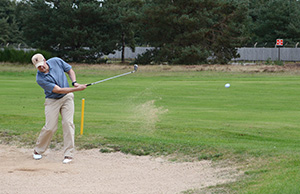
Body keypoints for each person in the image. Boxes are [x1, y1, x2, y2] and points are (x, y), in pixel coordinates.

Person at [31, 53, 87, 164]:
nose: (41, 68)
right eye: (38, 67)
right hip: (52, 100)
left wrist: (75, 82)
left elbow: (70, 70)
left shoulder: (56, 61)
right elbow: (59, 90)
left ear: (45, 60)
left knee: (68, 123)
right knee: (50, 127)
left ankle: (68, 154)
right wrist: (78, 89)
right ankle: (38, 151)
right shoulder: (40, 78)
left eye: (42, 65)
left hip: (67, 98)